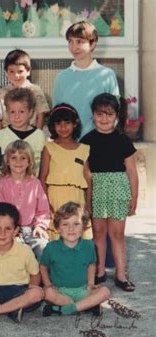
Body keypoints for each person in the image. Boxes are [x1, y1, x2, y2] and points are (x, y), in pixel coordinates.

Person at [81, 93, 138, 292]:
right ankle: (99, 272)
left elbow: (132, 171)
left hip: (118, 190)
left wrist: (134, 198)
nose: (104, 119)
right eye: (99, 114)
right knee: (98, 232)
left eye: (109, 114)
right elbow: (85, 172)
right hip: (97, 190)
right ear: (93, 115)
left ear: (116, 116)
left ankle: (121, 275)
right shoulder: (87, 140)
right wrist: (86, 199)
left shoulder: (123, 140)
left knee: (117, 233)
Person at [40, 202, 111, 317]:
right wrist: (48, 284)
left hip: (83, 290)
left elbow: (91, 265)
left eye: (76, 224)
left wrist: (90, 284)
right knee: (47, 294)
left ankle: (66, 309)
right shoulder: (51, 248)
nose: (71, 228)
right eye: (65, 224)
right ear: (58, 228)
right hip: (60, 291)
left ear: (83, 227)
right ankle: (85, 306)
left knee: (105, 292)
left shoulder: (89, 246)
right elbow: (43, 266)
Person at [53, 21, 119, 139]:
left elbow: (114, 113)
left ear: (92, 44)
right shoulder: (61, 78)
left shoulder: (107, 75)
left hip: (100, 144)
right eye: (70, 42)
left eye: (79, 41)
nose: (74, 47)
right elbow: (57, 115)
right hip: (71, 145)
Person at [39, 104, 91, 240]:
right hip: (55, 199)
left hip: (77, 198)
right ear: (53, 126)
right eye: (58, 123)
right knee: (58, 236)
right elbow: (42, 178)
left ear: (75, 124)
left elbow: (88, 179)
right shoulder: (49, 148)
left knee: (76, 235)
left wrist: (88, 205)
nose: (63, 127)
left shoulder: (84, 149)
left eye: (67, 123)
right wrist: (45, 205)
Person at [0, 140, 50, 259]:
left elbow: (43, 210)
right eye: (14, 158)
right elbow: (1, 213)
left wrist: (40, 226)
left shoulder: (35, 184)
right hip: (10, 231)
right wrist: (11, 230)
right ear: (7, 161)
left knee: (44, 247)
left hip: (32, 229)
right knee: (17, 253)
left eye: (23, 158)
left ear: (29, 161)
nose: (18, 162)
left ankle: (41, 277)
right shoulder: (1, 185)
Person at [0, 88, 46, 176]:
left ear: (30, 112)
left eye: (21, 112)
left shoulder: (40, 136)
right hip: (6, 189)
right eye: (12, 112)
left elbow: (44, 168)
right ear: (7, 112)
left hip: (32, 188)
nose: (16, 116)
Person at [0, 49, 50, 129]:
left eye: (20, 71)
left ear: (28, 71)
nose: (16, 75)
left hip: (30, 131)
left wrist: (37, 134)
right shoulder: (2, 92)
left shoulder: (35, 90)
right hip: (7, 132)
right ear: (6, 72)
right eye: (12, 72)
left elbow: (40, 115)